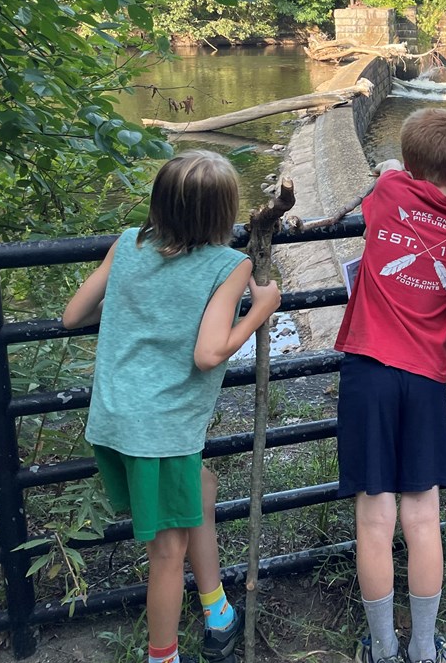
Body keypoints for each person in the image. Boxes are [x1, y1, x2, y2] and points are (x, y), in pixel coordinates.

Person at [63, 151, 282, 663]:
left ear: (159, 203)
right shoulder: (230, 265)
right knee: (166, 553)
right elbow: (208, 354)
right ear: (221, 214)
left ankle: (218, 612)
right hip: (160, 429)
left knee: (200, 488)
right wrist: (260, 310)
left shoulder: (127, 244)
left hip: (114, 417)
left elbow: (73, 314)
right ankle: (163, 656)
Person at [333, 108, 446, 663]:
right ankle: (423, 647)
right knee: (422, 517)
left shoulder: (389, 192)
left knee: (374, 518)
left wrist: (397, 164)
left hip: (368, 370)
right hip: (424, 378)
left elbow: (391, 168)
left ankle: (382, 646)